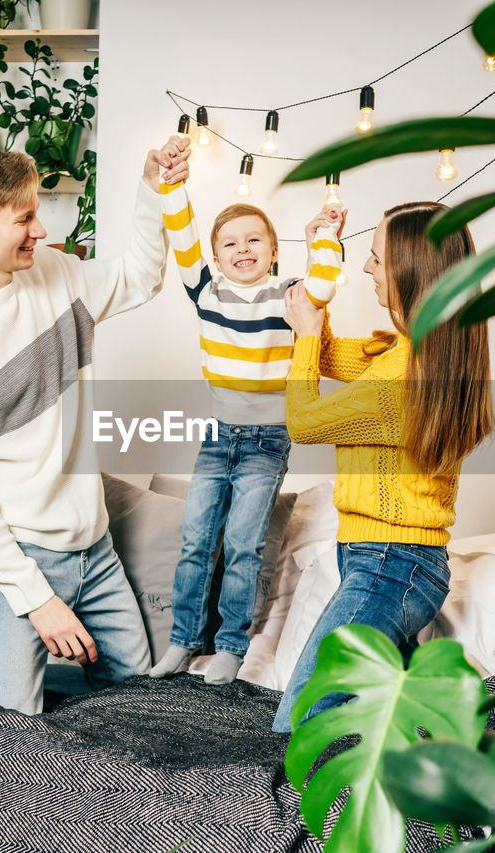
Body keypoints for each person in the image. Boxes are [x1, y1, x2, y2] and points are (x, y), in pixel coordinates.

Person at [0, 140, 187, 714]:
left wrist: (151, 185)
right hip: (21, 560)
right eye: (25, 218)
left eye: (37, 211)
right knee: (15, 728)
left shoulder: (57, 276)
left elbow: (139, 277)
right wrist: (38, 600)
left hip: (97, 549)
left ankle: (3, 680)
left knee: (139, 704)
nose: (41, 230)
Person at [271, 201, 495, 732]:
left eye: (375, 259)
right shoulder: (415, 353)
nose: (368, 270)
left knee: (302, 719)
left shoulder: (400, 380)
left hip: (390, 566)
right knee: (367, 715)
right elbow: (328, 357)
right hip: (388, 563)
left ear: (411, 273)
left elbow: (303, 420)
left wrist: (304, 334)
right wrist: (321, 261)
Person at [147, 135, 343, 684]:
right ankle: (183, 641)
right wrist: (172, 185)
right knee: (196, 540)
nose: (242, 249)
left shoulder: (288, 294)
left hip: (264, 442)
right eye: (229, 243)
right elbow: (180, 232)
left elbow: (324, 285)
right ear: (215, 256)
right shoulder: (205, 290)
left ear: (274, 250)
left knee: (241, 546)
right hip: (217, 437)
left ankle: (231, 644)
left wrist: (323, 236)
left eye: (254, 239)